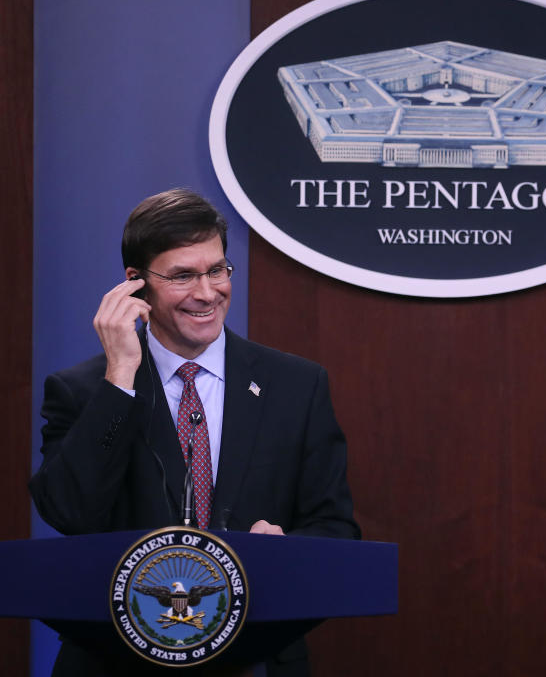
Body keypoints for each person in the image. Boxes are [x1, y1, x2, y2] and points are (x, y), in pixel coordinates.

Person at [30, 189, 359, 676]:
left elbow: (336, 530)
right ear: (135, 284)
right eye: (183, 276)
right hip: (116, 660)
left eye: (217, 270)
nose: (207, 293)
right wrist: (121, 376)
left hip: (257, 657)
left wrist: (287, 549)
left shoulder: (296, 385)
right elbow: (69, 513)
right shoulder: (83, 391)